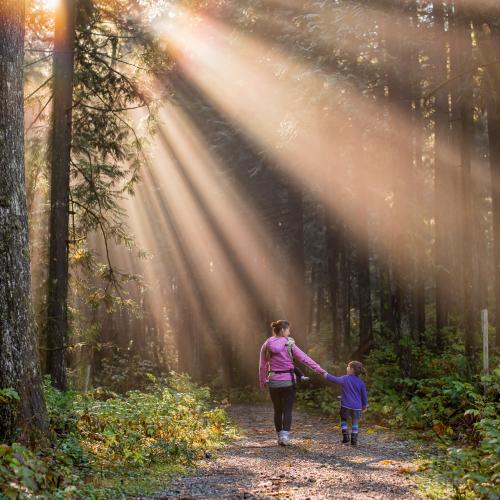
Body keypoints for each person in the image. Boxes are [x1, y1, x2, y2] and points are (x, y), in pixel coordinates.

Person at [259, 320, 326, 446]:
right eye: (288, 330)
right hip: (288, 382)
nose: (289, 332)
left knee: (277, 410)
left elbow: (262, 365)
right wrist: (320, 370)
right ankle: (285, 437)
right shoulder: (289, 343)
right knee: (287, 410)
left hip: (273, 382)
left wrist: (262, 381)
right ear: (283, 330)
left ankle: (279, 437)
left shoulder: (267, 343)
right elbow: (305, 359)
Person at [324, 361, 368, 446]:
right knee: (355, 422)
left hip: (346, 405)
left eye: (348, 366)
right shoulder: (361, 382)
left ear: (351, 369)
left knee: (343, 420)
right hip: (357, 407)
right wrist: (364, 405)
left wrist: (326, 375)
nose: (347, 368)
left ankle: (346, 437)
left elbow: (335, 380)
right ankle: (354, 441)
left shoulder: (345, 378)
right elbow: (364, 395)